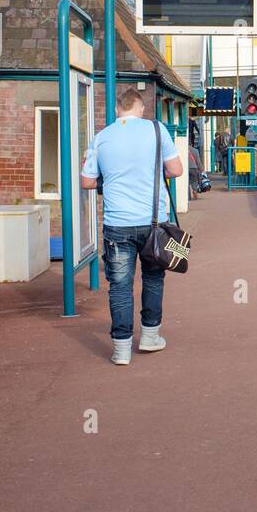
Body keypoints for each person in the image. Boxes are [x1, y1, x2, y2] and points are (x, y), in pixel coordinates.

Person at [81, 89, 183, 366]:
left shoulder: (101, 137)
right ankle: (150, 337)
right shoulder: (156, 129)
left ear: (118, 110)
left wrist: (111, 180)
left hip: (117, 224)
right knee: (152, 279)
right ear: (140, 108)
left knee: (120, 287)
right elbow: (175, 170)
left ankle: (121, 349)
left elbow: (87, 182)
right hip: (153, 221)